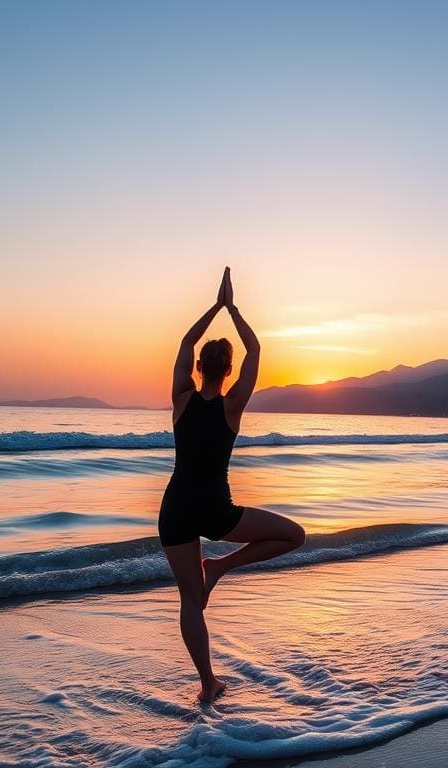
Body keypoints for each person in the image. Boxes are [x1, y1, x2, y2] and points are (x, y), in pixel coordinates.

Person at [158, 267, 306, 702]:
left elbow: (185, 343)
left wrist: (215, 306)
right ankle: (221, 566)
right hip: (216, 512)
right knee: (293, 535)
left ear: (200, 367)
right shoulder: (233, 406)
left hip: (175, 510)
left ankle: (207, 685)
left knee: (190, 602)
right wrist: (234, 309)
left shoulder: (181, 400)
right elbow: (256, 348)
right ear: (229, 372)